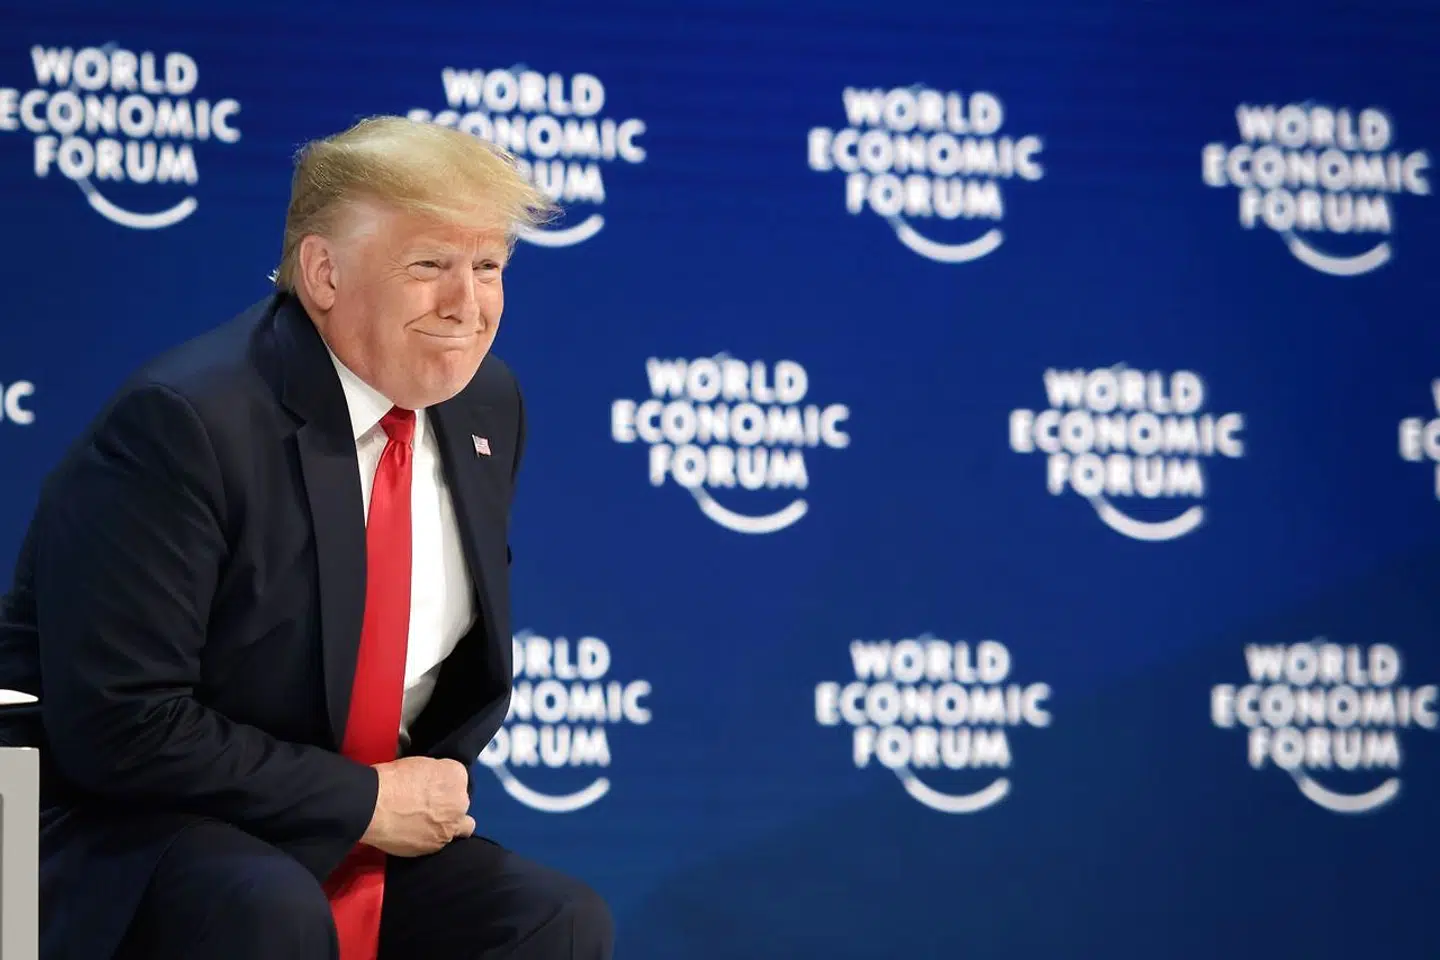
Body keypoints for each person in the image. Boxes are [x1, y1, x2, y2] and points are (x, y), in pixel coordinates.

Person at [0, 115, 614, 960]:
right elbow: (121, 727)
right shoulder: (186, 423)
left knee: (552, 920)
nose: (466, 307)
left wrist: (367, 804)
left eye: (488, 268)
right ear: (323, 273)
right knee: (266, 909)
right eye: (429, 266)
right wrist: (363, 800)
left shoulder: (485, 407)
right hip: (108, 826)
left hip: (326, 818)